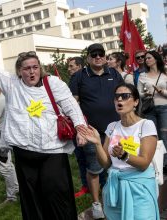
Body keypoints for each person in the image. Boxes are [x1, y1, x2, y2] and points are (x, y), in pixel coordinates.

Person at [0, 26, 87, 220]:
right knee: (32, 200)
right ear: (19, 71)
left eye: (35, 67)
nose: (32, 72)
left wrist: (80, 130)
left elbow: (72, 108)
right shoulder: (11, 84)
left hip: (53, 151)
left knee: (57, 195)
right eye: (26, 68)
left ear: (40, 68)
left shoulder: (54, 83)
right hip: (25, 152)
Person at [78, 83, 160, 220]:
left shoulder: (146, 125)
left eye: (125, 96)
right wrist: (98, 143)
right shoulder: (112, 127)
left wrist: (124, 155)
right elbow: (105, 164)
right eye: (116, 97)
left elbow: (144, 162)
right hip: (115, 188)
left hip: (139, 188)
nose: (119, 100)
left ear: (135, 102)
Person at [69, 43, 124, 219]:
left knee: (117, 166)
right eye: (94, 54)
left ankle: (113, 199)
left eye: (101, 54)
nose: (98, 57)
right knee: (94, 168)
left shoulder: (114, 73)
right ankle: (96, 203)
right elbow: (72, 104)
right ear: (88, 57)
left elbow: (123, 95)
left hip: (115, 130)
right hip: (92, 132)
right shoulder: (79, 76)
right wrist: (80, 129)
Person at [137, 50, 167, 167]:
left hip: (164, 108)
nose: (146, 60)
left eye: (149, 58)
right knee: (153, 136)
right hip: (149, 109)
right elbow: (138, 93)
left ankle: (165, 164)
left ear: (156, 59)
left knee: (165, 136)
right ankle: (156, 163)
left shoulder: (164, 74)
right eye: (146, 59)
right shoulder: (142, 76)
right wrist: (145, 95)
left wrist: (161, 91)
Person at [68, 57, 88, 198]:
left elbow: (73, 100)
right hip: (86, 122)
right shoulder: (84, 77)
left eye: (71, 66)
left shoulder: (76, 77)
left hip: (81, 123)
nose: (69, 69)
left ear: (79, 66)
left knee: (82, 156)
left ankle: (87, 186)